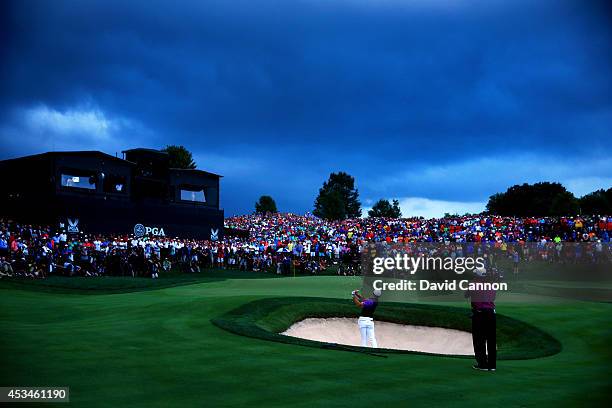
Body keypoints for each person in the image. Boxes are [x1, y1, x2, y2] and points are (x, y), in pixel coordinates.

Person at [465, 267, 497, 371]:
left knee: (479, 340)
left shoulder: (473, 284)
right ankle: (492, 365)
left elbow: (466, 295)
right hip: (491, 314)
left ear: (476, 275)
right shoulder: (491, 284)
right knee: (491, 340)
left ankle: (482, 364)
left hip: (479, 315)